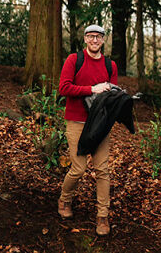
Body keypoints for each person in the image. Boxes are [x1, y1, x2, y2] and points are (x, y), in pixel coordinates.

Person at [57, 22, 118, 236]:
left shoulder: (110, 65)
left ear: (103, 40)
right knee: (79, 168)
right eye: (90, 36)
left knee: (102, 170)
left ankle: (102, 216)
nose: (94, 40)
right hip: (76, 122)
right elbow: (64, 88)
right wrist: (92, 89)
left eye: (98, 37)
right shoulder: (74, 60)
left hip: (100, 125)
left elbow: (112, 96)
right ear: (85, 39)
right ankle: (64, 200)